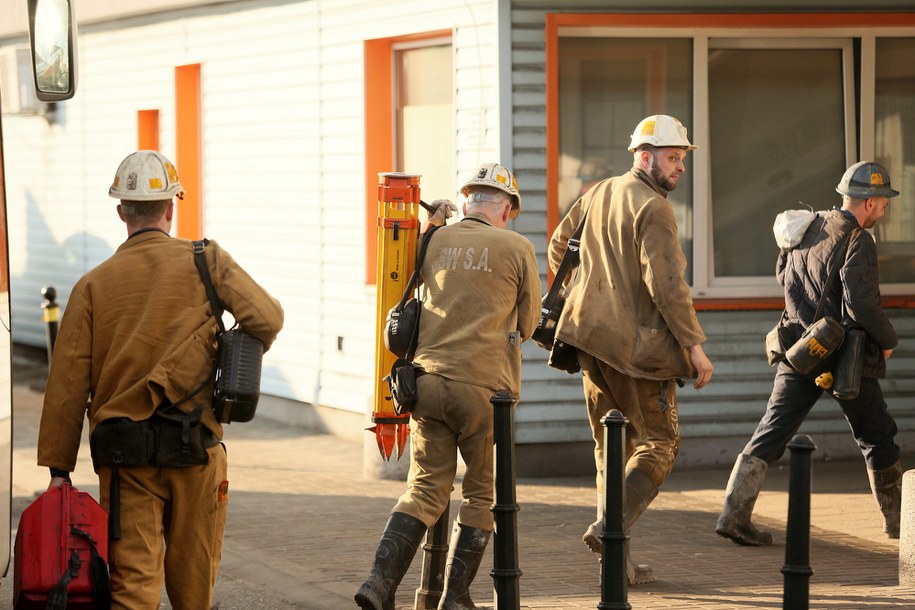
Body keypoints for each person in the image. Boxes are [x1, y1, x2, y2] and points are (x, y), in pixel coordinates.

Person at [37, 150, 284, 610]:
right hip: (195, 448)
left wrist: (59, 472)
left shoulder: (92, 285)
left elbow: (67, 384)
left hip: (124, 459)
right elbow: (267, 318)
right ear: (171, 207)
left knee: (132, 588)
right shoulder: (207, 261)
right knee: (194, 586)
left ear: (121, 212)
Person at [355, 163, 542, 610]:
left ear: (465, 201)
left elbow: (411, 281)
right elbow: (530, 323)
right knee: (480, 494)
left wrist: (433, 224)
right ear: (507, 209)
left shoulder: (434, 239)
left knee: (424, 490)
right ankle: (455, 597)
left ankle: (378, 585)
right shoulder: (517, 247)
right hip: (484, 392)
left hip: (426, 385)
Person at [548, 114, 714, 585]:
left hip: (587, 339)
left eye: (681, 158)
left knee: (610, 450)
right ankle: (610, 529)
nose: (680, 166)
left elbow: (559, 247)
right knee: (660, 444)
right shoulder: (655, 208)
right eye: (672, 157)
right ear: (644, 157)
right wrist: (694, 347)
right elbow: (667, 285)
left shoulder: (600, 191)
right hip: (637, 351)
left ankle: (615, 565)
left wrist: (589, 292)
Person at [716, 161, 901, 546]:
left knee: (773, 428)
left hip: (801, 349)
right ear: (869, 202)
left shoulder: (807, 226)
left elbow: (784, 276)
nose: (883, 212)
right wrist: (887, 340)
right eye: (883, 204)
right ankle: (900, 523)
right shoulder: (858, 239)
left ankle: (733, 515)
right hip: (844, 356)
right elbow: (862, 305)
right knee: (877, 434)